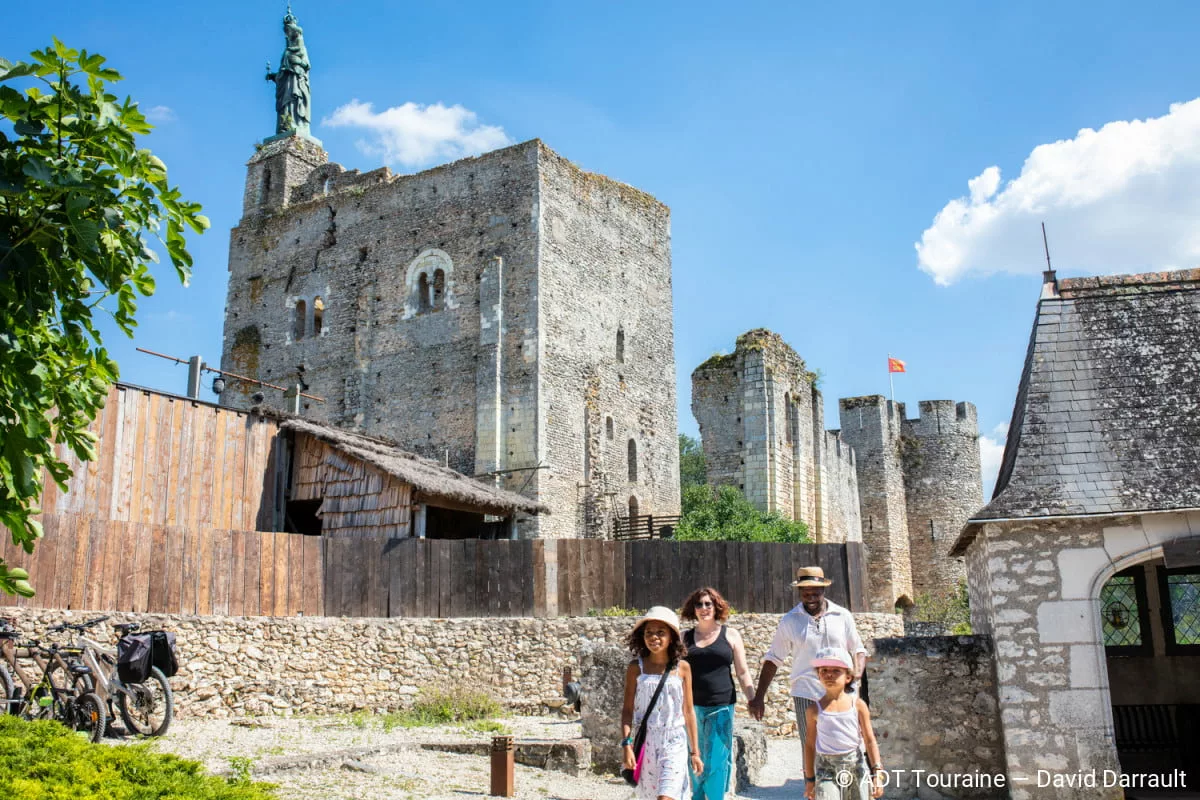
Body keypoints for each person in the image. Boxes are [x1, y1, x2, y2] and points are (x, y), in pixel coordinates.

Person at [748, 566, 867, 782]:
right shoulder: (790, 620)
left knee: (849, 744)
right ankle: (815, 791)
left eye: (815, 593)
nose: (810, 598)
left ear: (823, 590)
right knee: (810, 746)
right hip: (806, 693)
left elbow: (858, 649)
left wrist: (856, 676)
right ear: (799, 593)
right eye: (805, 593)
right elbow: (774, 658)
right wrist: (759, 696)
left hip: (843, 694)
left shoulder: (842, 616)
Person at [621, 606, 704, 800]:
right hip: (646, 742)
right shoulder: (636, 668)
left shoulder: (683, 668)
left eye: (660, 632)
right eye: (649, 632)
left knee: (666, 797)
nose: (654, 637)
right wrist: (626, 745)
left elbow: (689, 712)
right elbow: (627, 710)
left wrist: (695, 752)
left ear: (671, 637)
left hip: (674, 741)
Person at [680, 587, 755, 800]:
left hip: (721, 705)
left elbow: (742, 671)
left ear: (716, 607)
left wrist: (752, 698)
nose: (703, 608)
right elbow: (674, 673)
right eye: (699, 604)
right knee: (694, 755)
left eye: (708, 604)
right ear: (692, 609)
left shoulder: (730, 635)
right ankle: (697, 796)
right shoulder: (683, 637)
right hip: (691, 708)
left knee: (717, 759)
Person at [803, 647, 884, 800]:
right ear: (818, 675)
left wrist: (877, 771)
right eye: (824, 670)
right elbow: (809, 745)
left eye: (836, 670)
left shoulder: (858, 705)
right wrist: (810, 779)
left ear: (848, 677)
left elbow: (869, 739)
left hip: (855, 767)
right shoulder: (814, 710)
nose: (829, 674)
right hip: (826, 770)